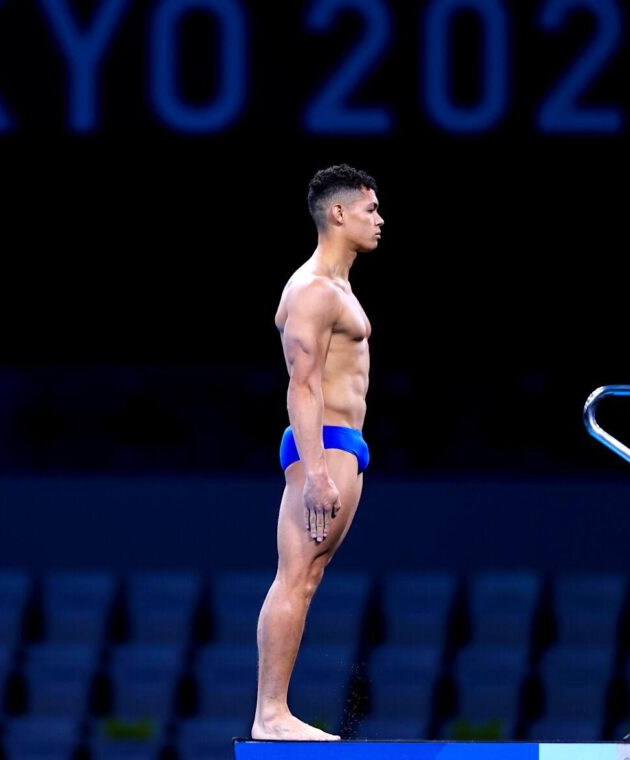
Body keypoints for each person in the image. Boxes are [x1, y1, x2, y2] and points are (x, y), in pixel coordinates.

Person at [251, 164, 383, 741]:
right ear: (338, 213)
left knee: (308, 577)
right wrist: (319, 475)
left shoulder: (338, 288)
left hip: (342, 444)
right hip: (321, 445)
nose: (379, 219)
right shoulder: (310, 290)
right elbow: (300, 385)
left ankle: (275, 712)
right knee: (294, 575)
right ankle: (271, 714)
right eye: (370, 209)